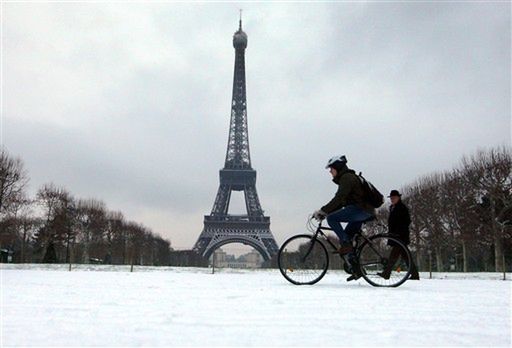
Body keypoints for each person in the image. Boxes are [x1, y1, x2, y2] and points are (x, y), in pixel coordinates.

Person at [312, 155, 375, 255]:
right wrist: (324, 212)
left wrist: (323, 211)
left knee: (332, 219)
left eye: (331, 168)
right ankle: (353, 264)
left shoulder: (347, 178)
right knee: (347, 238)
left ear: (337, 167)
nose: (330, 171)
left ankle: (347, 244)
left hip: (361, 209)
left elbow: (339, 198)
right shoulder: (347, 178)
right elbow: (341, 203)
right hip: (364, 210)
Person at [378, 190, 420, 280]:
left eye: (394, 198)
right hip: (395, 236)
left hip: (400, 236)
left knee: (394, 255)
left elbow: (406, 221)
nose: (392, 199)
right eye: (391, 198)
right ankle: (415, 274)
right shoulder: (393, 207)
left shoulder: (402, 207)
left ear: (398, 198)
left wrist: (398, 232)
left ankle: (387, 273)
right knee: (405, 256)